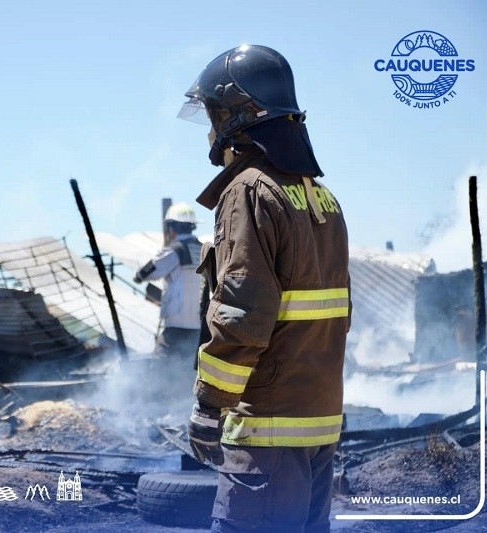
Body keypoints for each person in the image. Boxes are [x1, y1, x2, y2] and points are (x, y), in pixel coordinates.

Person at [180, 45, 351, 533]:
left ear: (238, 116)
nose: (211, 132)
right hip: (318, 427)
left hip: (266, 431)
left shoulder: (250, 189)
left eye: (213, 115)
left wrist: (210, 404)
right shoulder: (321, 197)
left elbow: (242, 307)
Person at [133, 202, 203, 364]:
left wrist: (138, 275)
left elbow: (149, 270)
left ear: (170, 228)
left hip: (176, 325)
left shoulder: (175, 251)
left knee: (160, 368)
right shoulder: (205, 250)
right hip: (199, 326)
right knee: (188, 371)